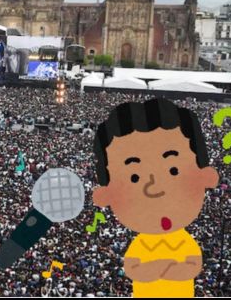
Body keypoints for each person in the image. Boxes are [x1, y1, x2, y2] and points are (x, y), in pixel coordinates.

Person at [92, 98, 219, 298]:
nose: (153, 186)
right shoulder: (141, 244)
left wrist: (163, 268)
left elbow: (193, 264)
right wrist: (162, 267)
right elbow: (133, 267)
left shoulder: (183, 241)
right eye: (135, 177)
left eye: (173, 170)